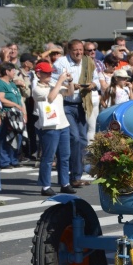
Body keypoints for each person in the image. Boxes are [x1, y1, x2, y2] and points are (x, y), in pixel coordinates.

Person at [52, 39, 100, 188]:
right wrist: (71, 85)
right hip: (66, 104)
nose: (79, 53)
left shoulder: (88, 62)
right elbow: (53, 83)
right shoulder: (60, 63)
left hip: (81, 104)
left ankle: (76, 176)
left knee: (83, 140)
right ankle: (68, 176)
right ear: (69, 51)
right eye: (75, 50)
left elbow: (97, 80)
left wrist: (92, 85)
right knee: (74, 138)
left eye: (81, 50)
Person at [33, 61, 76, 196]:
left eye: (50, 73)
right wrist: (59, 82)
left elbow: (69, 93)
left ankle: (65, 183)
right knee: (48, 157)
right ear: (38, 74)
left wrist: (70, 81)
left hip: (63, 124)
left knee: (64, 156)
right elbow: (51, 98)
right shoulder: (37, 89)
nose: (49, 75)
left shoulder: (53, 84)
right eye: (46, 73)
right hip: (48, 127)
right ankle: (45, 186)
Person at [0, 62, 26, 169]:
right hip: (6, 114)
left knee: (17, 137)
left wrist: (23, 112)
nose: (14, 72)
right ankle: (4, 161)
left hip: (17, 115)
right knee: (4, 138)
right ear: (7, 71)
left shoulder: (12, 84)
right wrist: (15, 105)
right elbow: (1, 99)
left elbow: (19, 98)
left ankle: (14, 159)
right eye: (13, 71)